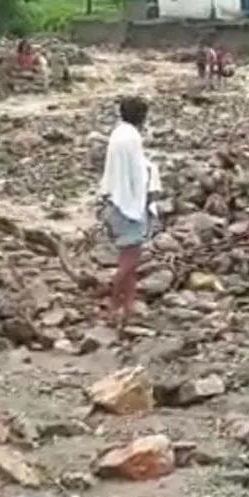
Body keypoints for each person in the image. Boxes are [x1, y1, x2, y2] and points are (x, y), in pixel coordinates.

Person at [98, 96, 159, 329]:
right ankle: (114, 305)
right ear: (141, 117)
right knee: (129, 261)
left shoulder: (118, 133)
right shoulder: (132, 137)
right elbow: (137, 173)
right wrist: (150, 195)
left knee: (129, 259)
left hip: (115, 201)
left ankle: (128, 306)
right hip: (129, 206)